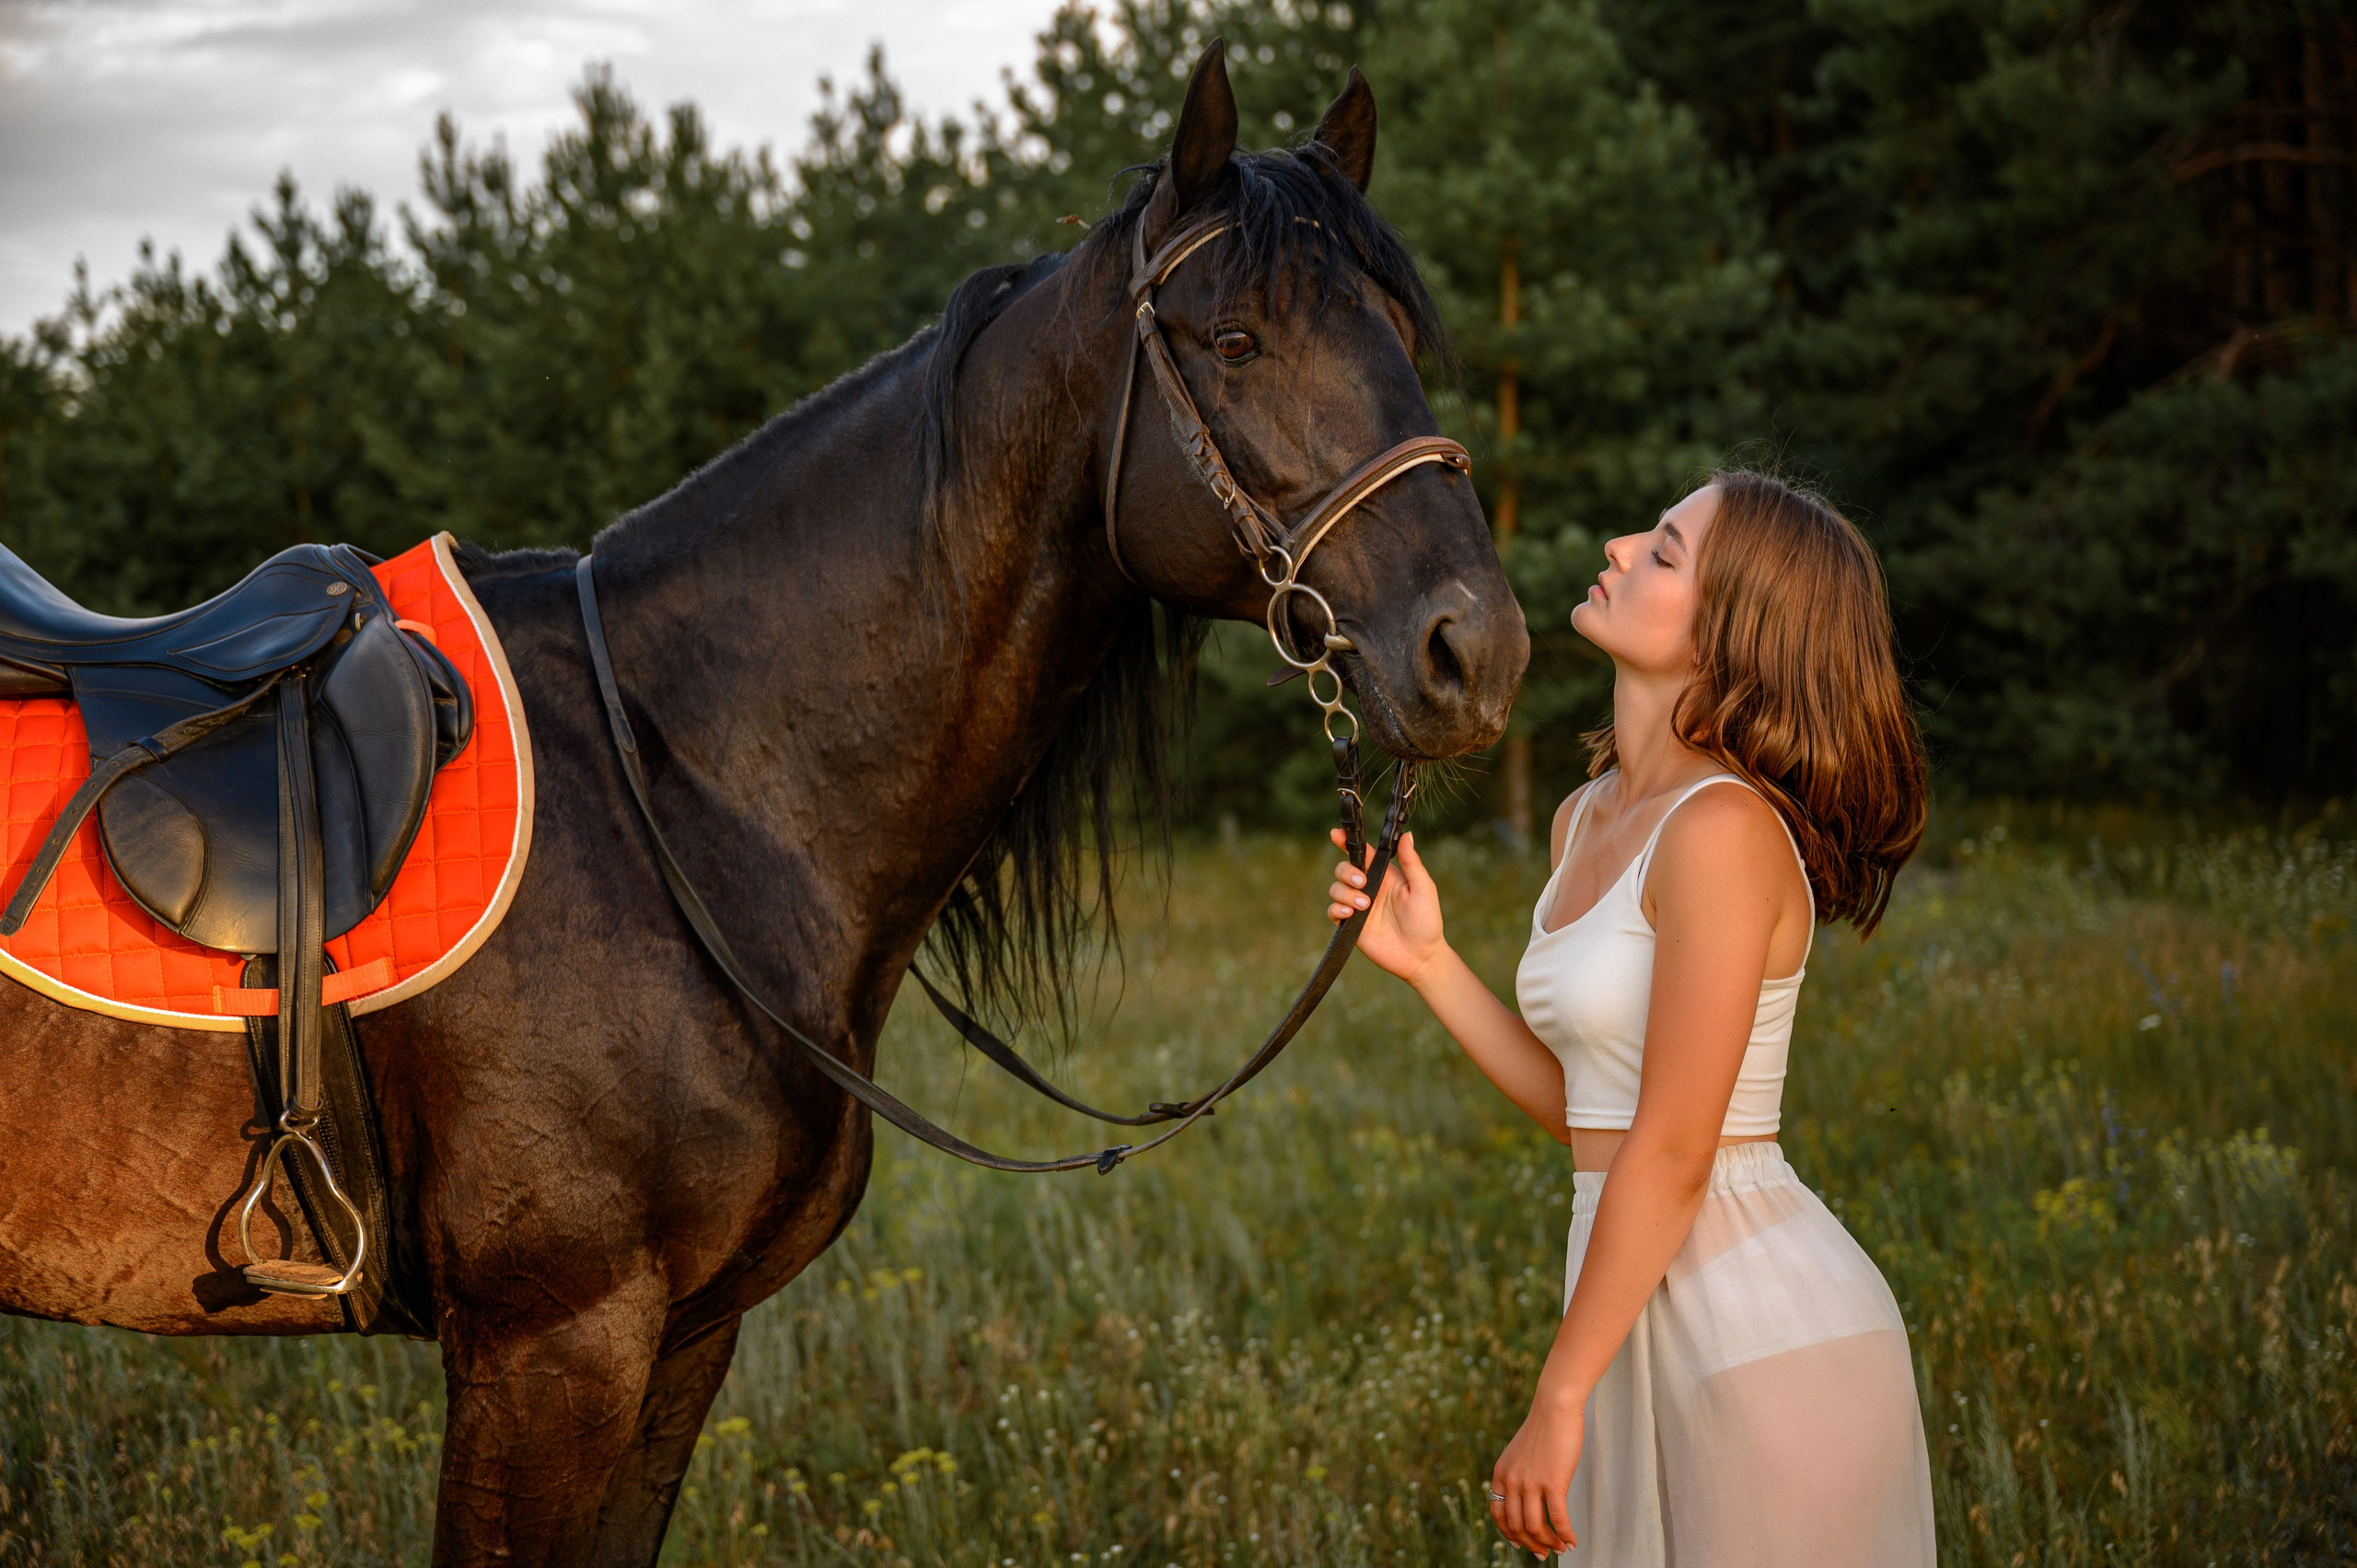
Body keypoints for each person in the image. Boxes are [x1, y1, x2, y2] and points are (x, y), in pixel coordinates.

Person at [1324, 470, 1937, 1564]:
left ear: (1726, 633)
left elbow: (1674, 1150)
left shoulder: (1722, 830)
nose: (1613, 546)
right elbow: (1593, 1115)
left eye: (1660, 550)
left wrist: (1559, 1395)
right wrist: (1428, 962)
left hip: (1760, 1335)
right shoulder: (1585, 816)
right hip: (1625, 1314)